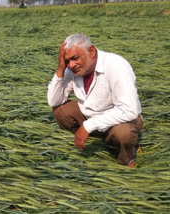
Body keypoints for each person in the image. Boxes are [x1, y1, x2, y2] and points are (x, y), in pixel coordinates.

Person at [47, 34, 143, 168]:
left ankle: (126, 159)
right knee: (60, 110)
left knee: (124, 134)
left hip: (121, 120)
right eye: (67, 61)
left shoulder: (116, 65)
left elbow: (129, 110)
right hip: (91, 116)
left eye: (75, 58)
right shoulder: (72, 69)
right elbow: (53, 101)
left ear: (91, 51)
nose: (71, 64)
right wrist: (60, 70)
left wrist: (88, 126)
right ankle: (95, 143)